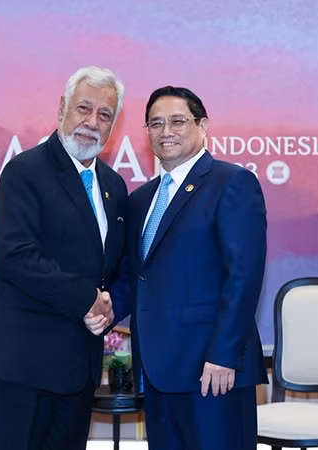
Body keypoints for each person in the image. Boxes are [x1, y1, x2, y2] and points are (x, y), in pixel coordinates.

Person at [0, 66, 127, 450]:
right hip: (23, 363)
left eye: (104, 115)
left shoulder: (113, 186)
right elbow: (15, 256)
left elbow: (117, 268)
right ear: (62, 108)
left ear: (113, 125)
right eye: (84, 108)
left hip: (79, 366)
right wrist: (86, 299)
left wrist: (111, 307)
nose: (92, 122)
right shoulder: (25, 171)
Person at [109, 85, 268, 450]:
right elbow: (137, 279)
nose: (166, 131)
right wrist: (103, 310)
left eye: (178, 121)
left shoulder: (233, 183)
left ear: (203, 126)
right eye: (156, 123)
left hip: (212, 372)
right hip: (158, 372)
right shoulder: (140, 201)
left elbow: (242, 278)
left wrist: (223, 355)